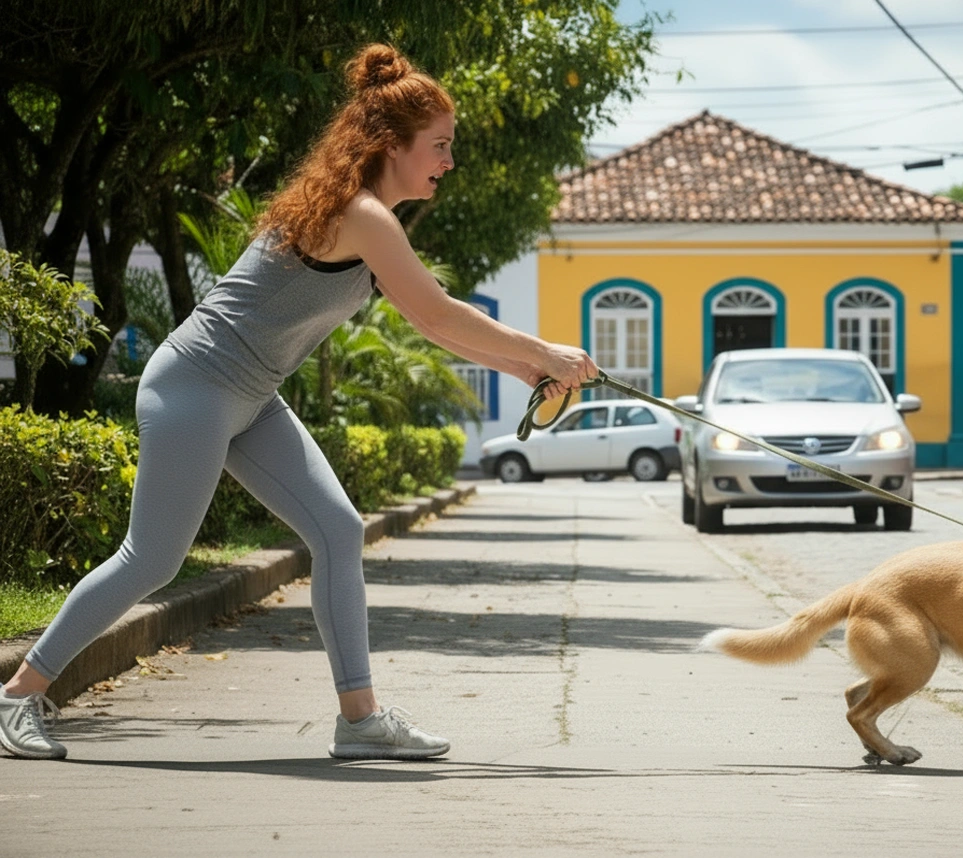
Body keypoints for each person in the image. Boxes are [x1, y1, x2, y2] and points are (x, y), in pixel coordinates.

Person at [0, 44, 597, 761]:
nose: (448, 159)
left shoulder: (371, 220)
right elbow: (440, 313)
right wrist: (544, 352)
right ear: (390, 144)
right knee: (152, 559)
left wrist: (521, 369)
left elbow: (427, 324)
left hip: (253, 396)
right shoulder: (362, 213)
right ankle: (16, 695)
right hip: (194, 385)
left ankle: (359, 720)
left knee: (339, 531)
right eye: (439, 145)